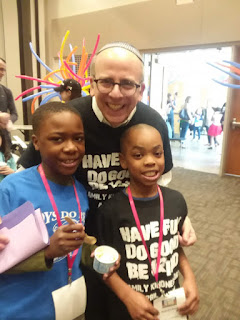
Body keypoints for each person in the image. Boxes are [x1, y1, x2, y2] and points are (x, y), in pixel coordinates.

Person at [17, 42, 196, 318]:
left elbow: (162, 187)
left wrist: (183, 218)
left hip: (132, 241)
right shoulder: (69, 118)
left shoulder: (153, 123)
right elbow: (25, 176)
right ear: (91, 83)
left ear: (141, 89)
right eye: (106, 82)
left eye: (127, 84)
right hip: (77, 244)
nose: (115, 93)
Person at [95, 124, 199, 320]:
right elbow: (101, 265)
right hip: (130, 308)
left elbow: (173, 245)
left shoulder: (176, 201)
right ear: (123, 161)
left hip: (171, 305)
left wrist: (190, 277)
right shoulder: (111, 211)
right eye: (138, 155)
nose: (150, 161)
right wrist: (127, 296)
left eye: (157, 153)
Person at [0, 102, 88, 319]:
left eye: (78, 138)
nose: (70, 147)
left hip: (69, 306)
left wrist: (94, 253)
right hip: (21, 310)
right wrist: (49, 252)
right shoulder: (11, 189)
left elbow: (76, 252)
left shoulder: (80, 191)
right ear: (36, 142)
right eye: (57, 139)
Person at [0, 57, 18, 147]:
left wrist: (8, 121)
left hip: (5, 141)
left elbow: (14, 114)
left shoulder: (6, 91)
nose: (2, 73)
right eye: (0, 69)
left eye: (3, 70)